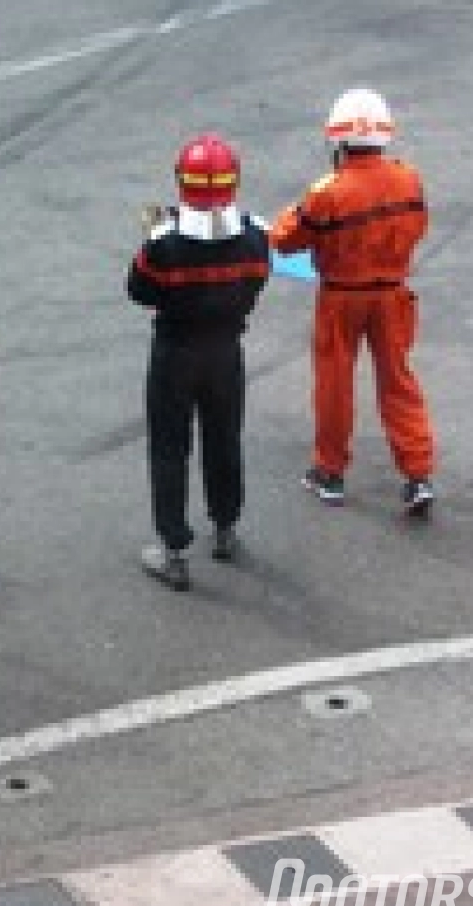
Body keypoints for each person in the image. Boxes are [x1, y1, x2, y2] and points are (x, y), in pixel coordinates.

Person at [270, 88, 436, 516]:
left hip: (342, 297)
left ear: (339, 140)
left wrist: (295, 214)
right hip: (391, 293)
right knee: (398, 380)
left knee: (334, 383)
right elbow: (418, 227)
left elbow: (286, 241)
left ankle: (330, 472)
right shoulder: (409, 179)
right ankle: (418, 475)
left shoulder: (328, 191)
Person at [128, 134, 271, 590]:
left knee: (170, 448)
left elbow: (139, 291)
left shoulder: (164, 245)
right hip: (226, 351)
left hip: (175, 354)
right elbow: (257, 284)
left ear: (181, 183)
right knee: (224, 439)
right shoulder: (253, 238)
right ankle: (225, 528)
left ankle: (174, 551)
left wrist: (151, 237)